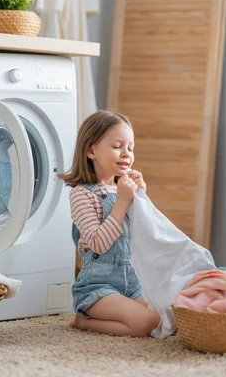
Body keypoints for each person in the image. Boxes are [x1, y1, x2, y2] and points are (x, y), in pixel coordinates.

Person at [59, 110, 160, 337]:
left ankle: (117, 312)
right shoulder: (82, 195)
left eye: (130, 148)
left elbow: (147, 234)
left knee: (166, 317)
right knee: (147, 324)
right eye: (117, 146)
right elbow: (97, 243)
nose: (126, 154)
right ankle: (85, 321)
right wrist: (124, 201)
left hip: (132, 284)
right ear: (91, 151)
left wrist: (141, 197)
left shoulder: (124, 190)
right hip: (98, 288)